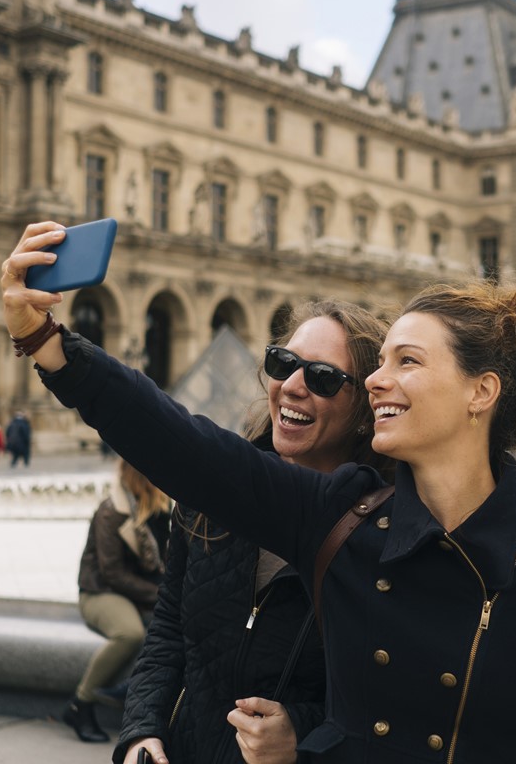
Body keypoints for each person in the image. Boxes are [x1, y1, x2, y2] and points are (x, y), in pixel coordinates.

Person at [1, 221, 516, 762]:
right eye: (382, 360)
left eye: (408, 362)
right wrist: (46, 343)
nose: (376, 381)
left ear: (481, 392)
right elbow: (185, 447)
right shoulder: (342, 520)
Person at [116, 301, 392, 764]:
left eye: (323, 377)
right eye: (283, 364)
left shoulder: (383, 532)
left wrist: (301, 735)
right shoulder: (213, 491)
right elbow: (168, 627)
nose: (293, 386)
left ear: (366, 409)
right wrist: (142, 729)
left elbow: (389, 695)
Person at [65, 457, 173, 743]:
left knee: (174, 625)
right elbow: (112, 573)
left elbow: (167, 560)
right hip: (101, 592)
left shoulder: (159, 509)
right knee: (129, 633)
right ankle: (81, 703)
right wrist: (161, 593)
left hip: (138, 592)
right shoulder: (112, 511)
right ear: (140, 477)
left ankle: (137, 688)